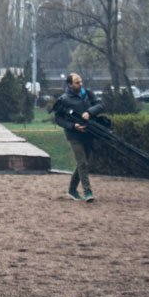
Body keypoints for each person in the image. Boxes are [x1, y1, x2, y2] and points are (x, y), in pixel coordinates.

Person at [51, 73, 105, 202]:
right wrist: (72, 125)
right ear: (70, 84)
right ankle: (88, 192)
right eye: (77, 82)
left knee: (83, 162)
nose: (80, 84)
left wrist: (89, 112)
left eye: (81, 81)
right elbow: (58, 119)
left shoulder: (88, 93)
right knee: (82, 163)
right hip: (74, 136)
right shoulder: (63, 99)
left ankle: (72, 189)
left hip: (88, 133)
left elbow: (101, 105)